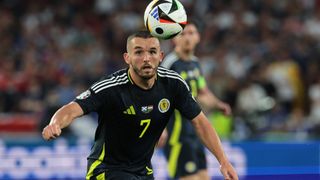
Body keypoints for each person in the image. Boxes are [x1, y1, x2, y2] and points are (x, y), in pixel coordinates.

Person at [42, 30, 238, 180]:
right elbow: (72, 108)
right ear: (127, 58)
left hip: (143, 171)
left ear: (160, 57)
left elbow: (200, 122)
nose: (146, 58)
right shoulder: (111, 87)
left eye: (152, 52)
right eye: (138, 52)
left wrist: (223, 160)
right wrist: (56, 123)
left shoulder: (173, 84)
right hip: (106, 170)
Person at [160, 21, 232, 180]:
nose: (187, 37)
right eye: (182, 34)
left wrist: (218, 105)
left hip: (197, 133)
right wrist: (161, 128)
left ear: (198, 37)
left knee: (204, 176)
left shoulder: (195, 64)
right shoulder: (170, 64)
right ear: (174, 39)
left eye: (191, 33)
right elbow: (158, 97)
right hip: (177, 135)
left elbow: (202, 92)